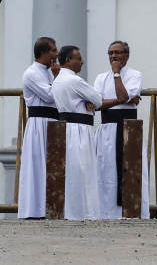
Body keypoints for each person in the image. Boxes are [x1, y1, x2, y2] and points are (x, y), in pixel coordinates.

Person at [93, 41, 148, 219]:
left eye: (117, 52)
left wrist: (117, 74)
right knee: (106, 171)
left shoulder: (134, 75)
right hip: (108, 129)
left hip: (129, 131)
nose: (113, 56)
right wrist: (123, 99)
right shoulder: (101, 78)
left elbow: (123, 95)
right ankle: (106, 214)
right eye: (110, 53)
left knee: (131, 171)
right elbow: (98, 103)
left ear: (127, 55)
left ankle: (131, 212)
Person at [51, 46, 103, 220]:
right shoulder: (75, 81)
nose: (82, 62)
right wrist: (90, 101)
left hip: (66, 128)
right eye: (78, 58)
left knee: (71, 171)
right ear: (68, 61)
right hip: (80, 129)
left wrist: (89, 100)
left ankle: (72, 211)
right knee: (83, 170)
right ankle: (85, 213)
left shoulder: (57, 80)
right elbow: (98, 99)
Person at [17, 37, 60, 219]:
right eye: (53, 50)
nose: (57, 54)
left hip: (52, 121)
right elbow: (50, 95)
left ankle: (51, 206)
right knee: (37, 165)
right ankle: (35, 210)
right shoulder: (31, 73)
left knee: (51, 165)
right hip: (39, 122)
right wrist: (59, 77)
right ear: (43, 53)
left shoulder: (50, 71)